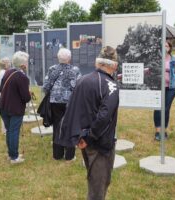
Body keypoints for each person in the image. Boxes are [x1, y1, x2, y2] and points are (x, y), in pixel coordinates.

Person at [59, 46, 119, 200]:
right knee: (98, 187)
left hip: (85, 140)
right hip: (99, 143)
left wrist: (78, 137)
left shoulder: (83, 80)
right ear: (113, 64)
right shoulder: (110, 85)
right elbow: (105, 116)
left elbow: (71, 110)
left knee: (94, 181)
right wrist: (88, 137)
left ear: (97, 62)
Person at [43, 48, 81, 161]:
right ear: (69, 58)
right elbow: (78, 87)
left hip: (55, 102)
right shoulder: (75, 70)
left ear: (58, 58)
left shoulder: (52, 69)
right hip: (70, 103)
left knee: (57, 126)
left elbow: (46, 87)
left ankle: (57, 154)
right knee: (69, 126)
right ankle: (69, 155)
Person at [0, 51, 31, 164]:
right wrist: (28, 93)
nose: (27, 64)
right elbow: (26, 97)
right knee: (13, 131)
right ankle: (14, 157)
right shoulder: (22, 77)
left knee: (9, 131)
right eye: (26, 63)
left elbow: (1, 89)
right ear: (23, 65)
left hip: (4, 106)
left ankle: (11, 154)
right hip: (15, 108)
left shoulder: (8, 72)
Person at [153, 41, 175, 141]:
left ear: (170, 48)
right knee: (158, 108)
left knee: (166, 109)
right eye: (163, 46)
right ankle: (158, 131)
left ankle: (164, 130)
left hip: (171, 88)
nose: (165, 47)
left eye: (166, 46)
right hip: (158, 87)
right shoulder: (156, 59)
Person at [0, 57, 11, 135]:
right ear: (5, 64)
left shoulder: (3, 72)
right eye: (8, 62)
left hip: (2, 96)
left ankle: (5, 129)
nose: (9, 64)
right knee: (4, 114)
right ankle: (5, 130)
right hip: (2, 96)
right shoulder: (3, 72)